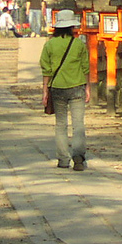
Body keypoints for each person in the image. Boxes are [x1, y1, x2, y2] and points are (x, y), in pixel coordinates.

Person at [39, 9, 91, 170]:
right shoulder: (78, 44)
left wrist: (45, 90)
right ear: (71, 27)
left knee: (61, 124)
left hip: (58, 87)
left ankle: (63, 159)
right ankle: (78, 156)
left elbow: (46, 69)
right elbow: (85, 67)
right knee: (78, 124)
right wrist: (87, 87)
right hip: (77, 87)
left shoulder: (49, 45)